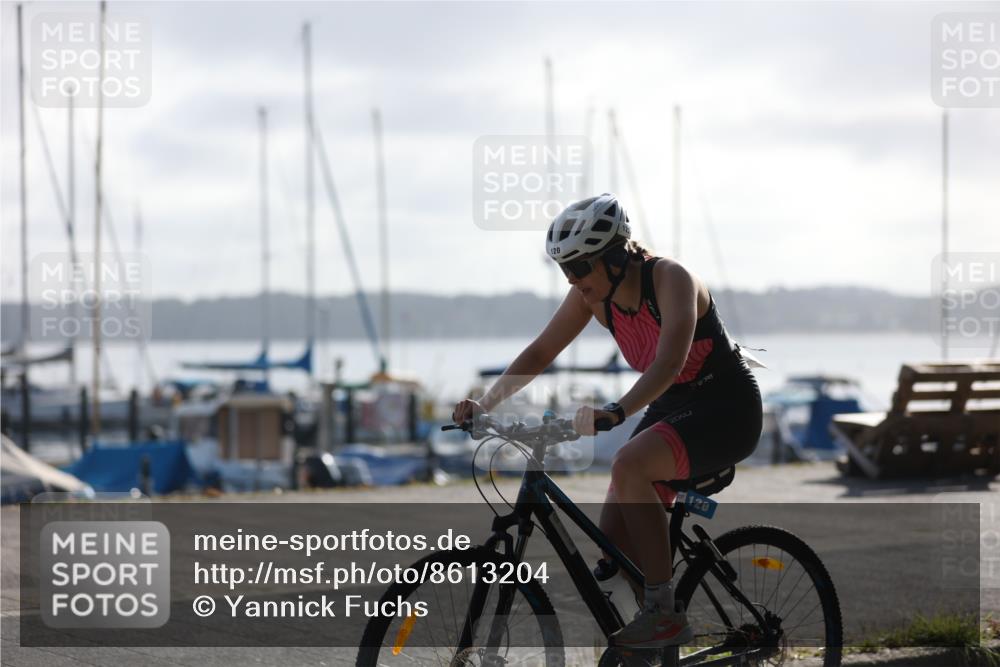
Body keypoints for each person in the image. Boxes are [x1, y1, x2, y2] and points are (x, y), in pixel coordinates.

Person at [452, 193, 763, 648]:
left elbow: (669, 364)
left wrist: (616, 411)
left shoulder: (671, 279)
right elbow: (541, 352)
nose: (573, 281)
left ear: (615, 258)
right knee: (613, 545)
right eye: (564, 270)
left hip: (726, 405)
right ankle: (652, 649)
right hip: (673, 404)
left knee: (630, 465)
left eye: (579, 268)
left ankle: (663, 613)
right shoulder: (593, 297)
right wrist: (486, 403)